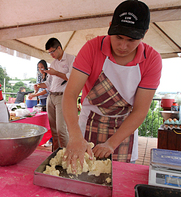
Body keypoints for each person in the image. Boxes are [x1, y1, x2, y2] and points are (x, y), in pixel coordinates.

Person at [62, 0, 162, 170]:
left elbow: (140, 111)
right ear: (110, 27)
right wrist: (75, 136)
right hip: (89, 124)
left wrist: (111, 143)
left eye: (132, 40)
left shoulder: (152, 60)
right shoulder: (92, 48)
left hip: (124, 128)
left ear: (144, 34)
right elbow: (70, 95)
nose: (123, 46)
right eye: (118, 37)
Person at [34, 38, 75, 151]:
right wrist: (39, 85)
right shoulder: (53, 63)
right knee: (54, 130)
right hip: (50, 97)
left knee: (61, 129)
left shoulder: (71, 59)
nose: (51, 54)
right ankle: (55, 154)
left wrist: (55, 73)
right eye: (49, 52)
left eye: (52, 51)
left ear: (59, 48)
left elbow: (71, 77)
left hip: (63, 96)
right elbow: (48, 83)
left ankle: (67, 155)